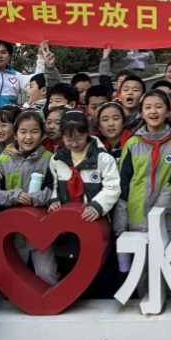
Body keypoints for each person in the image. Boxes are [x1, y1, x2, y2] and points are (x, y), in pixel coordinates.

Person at [0, 112, 58, 284]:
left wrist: (34, 198)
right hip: (10, 231)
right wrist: (15, 196)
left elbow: (53, 191)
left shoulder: (50, 160)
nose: (28, 137)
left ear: (42, 134)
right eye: (23, 132)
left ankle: (52, 299)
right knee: (14, 276)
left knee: (47, 273)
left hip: (39, 230)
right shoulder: (0, 160)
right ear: (15, 134)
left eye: (34, 132)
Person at [49, 112, 123, 296]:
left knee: (102, 269)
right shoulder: (57, 160)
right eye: (69, 139)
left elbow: (113, 187)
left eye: (79, 139)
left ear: (88, 133)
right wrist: (54, 200)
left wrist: (97, 206)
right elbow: (55, 185)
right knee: (73, 269)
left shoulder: (103, 158)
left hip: (95, 223)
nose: (74, 144)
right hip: (69, 229)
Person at [114, 90, 171, 238]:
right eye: (147, 107)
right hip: (136, 219)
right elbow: (123, 186)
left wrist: (158, 211)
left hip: (167, 221)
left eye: (158, 106)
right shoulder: (132, 144)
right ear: (142, 113)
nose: (153, 111)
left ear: (167, 112)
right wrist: (120, 228)